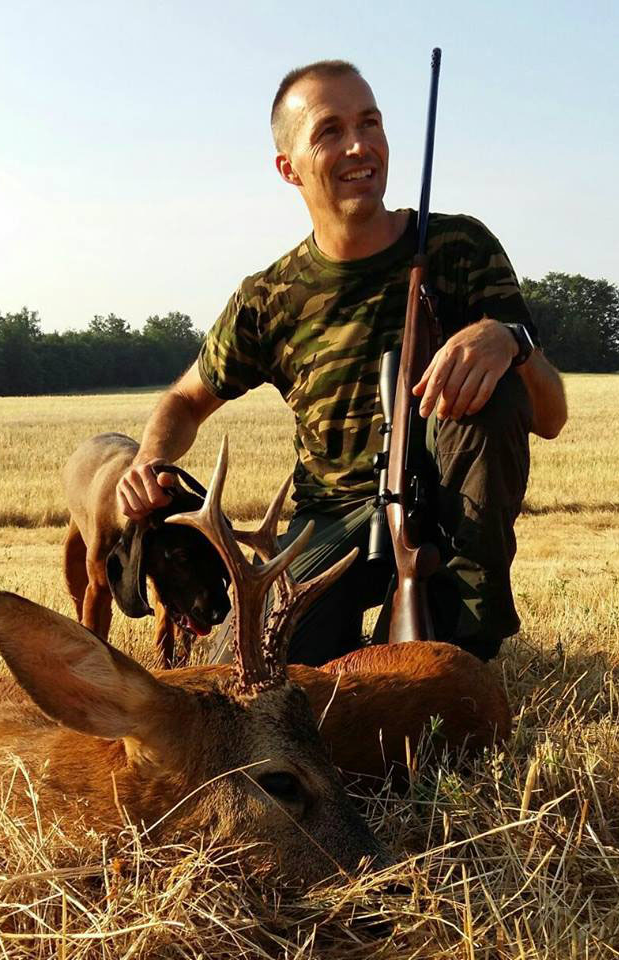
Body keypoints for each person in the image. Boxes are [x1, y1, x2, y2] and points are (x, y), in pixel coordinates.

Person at [116, 60, 567, 666]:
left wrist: (511, 341)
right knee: (241, 676)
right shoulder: (268, 298)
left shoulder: (461, 248)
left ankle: (461, 647)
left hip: (441, 514)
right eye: (330, 131)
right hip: (328, 521)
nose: (359, 145)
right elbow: (184, 400)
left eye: (370, 123)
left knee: (495, 391)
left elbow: (550, 416)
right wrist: (149, 460)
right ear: (289, 168)